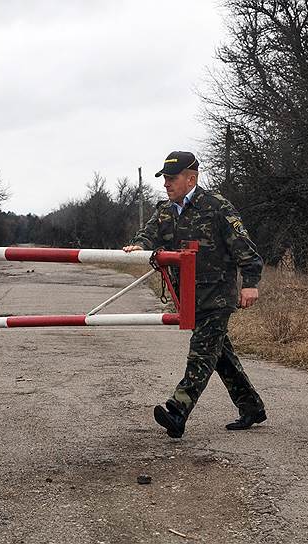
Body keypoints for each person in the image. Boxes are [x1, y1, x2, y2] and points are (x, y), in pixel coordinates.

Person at [123, 150, 266, 438]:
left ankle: (177, 411)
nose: (166, 184)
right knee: (219, 354)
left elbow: (246, 250)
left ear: (191, 179)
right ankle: (251, 407)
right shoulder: (165, 211)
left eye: (172, 178)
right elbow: (146, 235)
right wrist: (138, 246)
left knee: (200, 355)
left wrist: (250, 283)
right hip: (187, 298)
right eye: (164, 178)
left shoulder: (216, 207)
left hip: (217, 297)